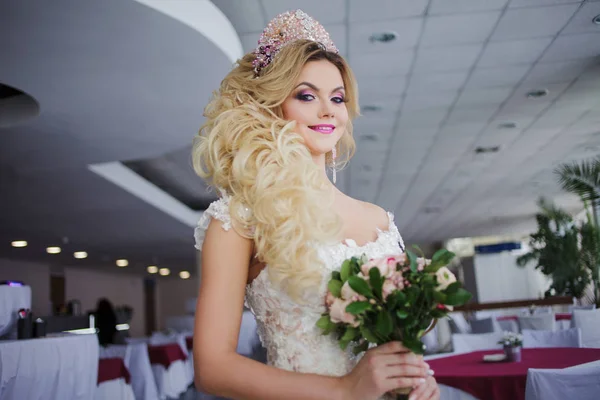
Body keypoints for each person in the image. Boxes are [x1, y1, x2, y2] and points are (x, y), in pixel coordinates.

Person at [191, 10, 439, 400]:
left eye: (337, 98)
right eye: (306, 96)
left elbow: (400, 337)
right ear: (272, 106)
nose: (328, 110)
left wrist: (415, 377)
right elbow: (212, 369)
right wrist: (344, 389)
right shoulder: (238, 221)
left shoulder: (378, 220)